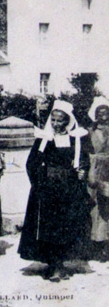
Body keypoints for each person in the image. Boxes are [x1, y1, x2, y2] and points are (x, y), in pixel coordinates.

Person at [18, 100, 92, 281]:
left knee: (67, 227)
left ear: (67, 121)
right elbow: (31, 163)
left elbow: (84, 159)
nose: (56, 124)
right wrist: (39, 183)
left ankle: (62, 263)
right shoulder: (44, 139)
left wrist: (82, 170)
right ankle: (53, 266)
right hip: (48, 190)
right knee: (49, 228)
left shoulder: (77, 139)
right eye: (53, 120)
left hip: (69, 189)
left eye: (60, 120)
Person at [87, 96, 109, 260]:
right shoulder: (90, 131)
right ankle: (95, 243)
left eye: (106, 112)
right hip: (94, 170)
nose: (103, 115)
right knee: (94, 206)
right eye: (100, 113)